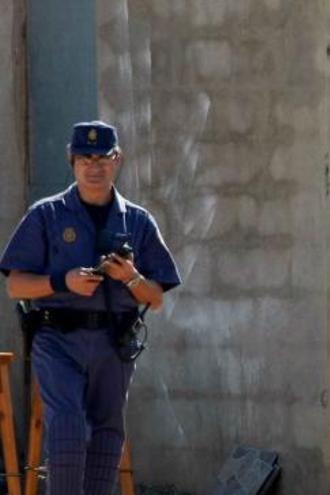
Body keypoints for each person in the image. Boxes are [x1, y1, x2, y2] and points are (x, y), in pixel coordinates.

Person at [0, 121, 181, 495]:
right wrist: (62, 281)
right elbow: (16, 284)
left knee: (106, 432)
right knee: (66, 428)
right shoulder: (46, 215)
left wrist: (131, 277)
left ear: (117, 160)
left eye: (103, 157)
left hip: (114, 342)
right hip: (57, 338)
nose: (94, 166)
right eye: (85, 158)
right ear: (72, 160)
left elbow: (157, 297)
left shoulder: (137, 221)